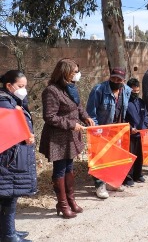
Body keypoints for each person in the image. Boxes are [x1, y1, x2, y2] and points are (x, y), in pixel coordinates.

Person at [39, 59, 94, 219]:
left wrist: (86, 117)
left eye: (77, 71)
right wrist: (71, 124)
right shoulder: (51, 91)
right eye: (74, 71)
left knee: (70, 167)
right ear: (64, 72)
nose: (77, 74)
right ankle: (62, 204)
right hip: (58, 137)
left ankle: (71, 200)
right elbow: (49, 117)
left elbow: (78, 107)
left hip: (70, 136)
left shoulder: (71, 87)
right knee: (60, 169)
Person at [0, 70, 36, 242]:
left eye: (25, 86)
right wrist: (25, 136)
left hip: (13, 155)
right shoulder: (4, 103)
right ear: (9, 86)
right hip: (9, 157)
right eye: (21, 86)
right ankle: (8, 235)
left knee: (10, 196)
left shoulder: (13, 100)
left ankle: (9, 230)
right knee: (8, 196)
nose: (24, 90)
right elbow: (8, 130)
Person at [86, 67, 131, 199]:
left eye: (119, 79)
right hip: (101, 130)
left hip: (118, 131)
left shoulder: (126, 90)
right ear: (109, 77)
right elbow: (91, 112)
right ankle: (99, 185)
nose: (115, 81)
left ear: (123, 80)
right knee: (99, 158)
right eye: (113, 78)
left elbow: (126, 110)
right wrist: (97, 130)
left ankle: (112, 182)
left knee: (115, 157)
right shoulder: (98, 90)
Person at [123, 78, 148, 187]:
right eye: (134, 92)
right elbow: (121, 119)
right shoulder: (124, 103)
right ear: (128, 90)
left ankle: (138, 174)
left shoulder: (141, 102)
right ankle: (128, 176)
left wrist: (146, 126)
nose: (136, 94)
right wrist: (130, 128)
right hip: (129, 135)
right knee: (129, 156)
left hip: (140, 134)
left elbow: (146, 115)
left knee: (140, 155)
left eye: (138, 91)